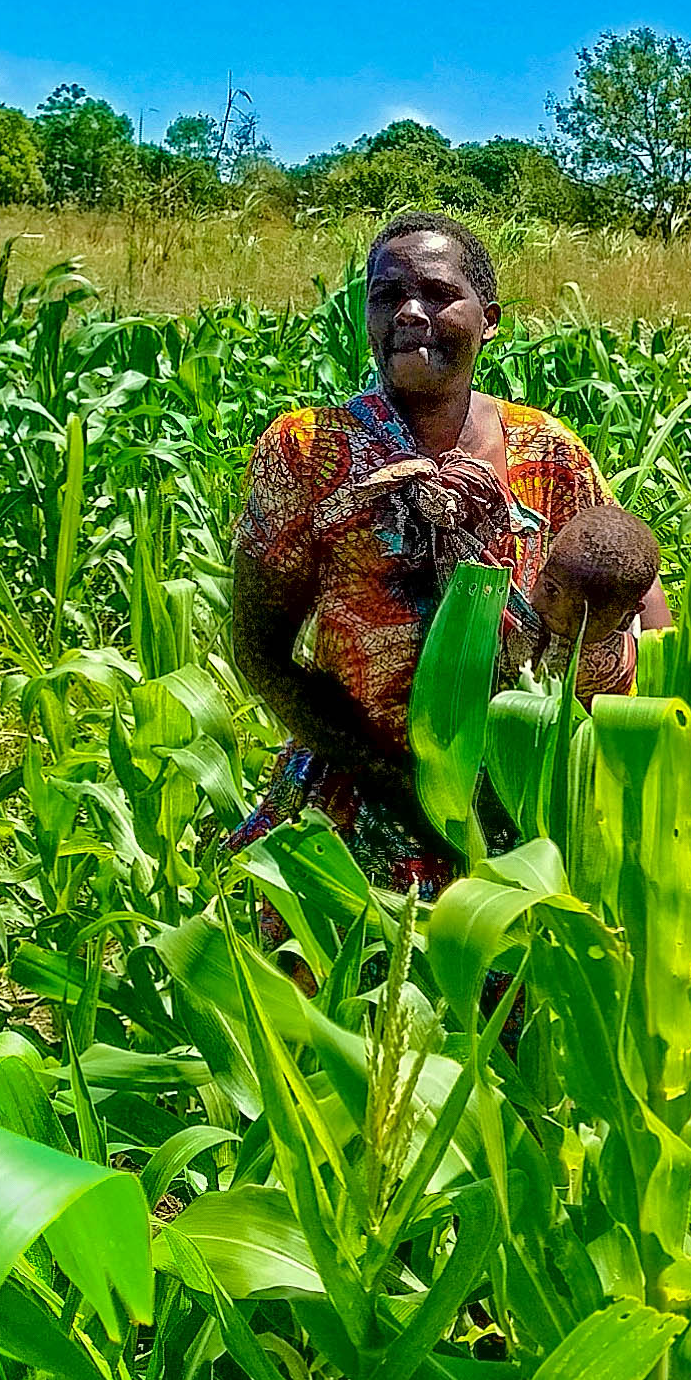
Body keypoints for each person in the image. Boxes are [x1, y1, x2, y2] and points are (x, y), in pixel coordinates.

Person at [225, 211, 665, 892]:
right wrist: (407, 790)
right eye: (385, 295)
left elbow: (641, 598)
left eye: (437, 293)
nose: (409, 311)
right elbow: (259, 651)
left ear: (488, 319)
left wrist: (639, 757)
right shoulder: (308, 452)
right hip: (359, 802)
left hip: (528, 808)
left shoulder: (550, 451)